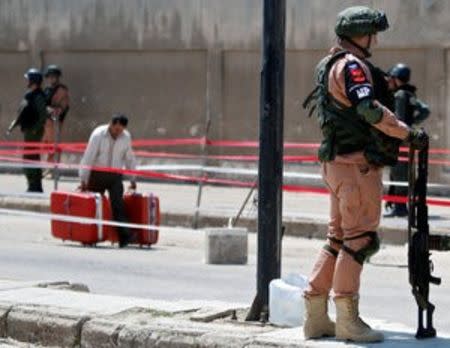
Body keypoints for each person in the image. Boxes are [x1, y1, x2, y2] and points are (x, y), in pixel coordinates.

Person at [302, 6, 428, 343]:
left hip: (335, 163)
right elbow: (368, 109)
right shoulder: (353, 67)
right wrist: (405, 132)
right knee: (358, 240)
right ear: (362, 34)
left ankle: (315, 316)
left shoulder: (328, 62)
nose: (375, 39)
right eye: (373, 33)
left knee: (337, 238)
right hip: (356, 166)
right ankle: (347, 320)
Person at [79, 114, 137, 248]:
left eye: (121, 130)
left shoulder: (126, 137)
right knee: (94, 207)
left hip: (115, 176)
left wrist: (133, 179)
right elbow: (88, 157)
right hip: (97, 175)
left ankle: (125, 237)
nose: (118, 133)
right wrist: (83, 179)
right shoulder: (98, 135)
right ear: (111, 124)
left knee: (118, 206)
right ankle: (89, 235)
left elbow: (129, 158)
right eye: (116, 129)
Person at [384, 63, 430, 217]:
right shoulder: (410, 94)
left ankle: (400, 207)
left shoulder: (399, 95)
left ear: (396, 78)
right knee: (405, 172)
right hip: (408, 138)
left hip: (399, 139)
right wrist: (413, 124)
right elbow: (425, 110)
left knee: (398, 173)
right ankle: (400, 206)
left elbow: (398, 119)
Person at [7, 69, 49, 192]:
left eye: (29, 79)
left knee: (31, 158)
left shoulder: (38, 97)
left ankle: (35, 185)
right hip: (29, 131)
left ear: (34, 81)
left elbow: (42, 116)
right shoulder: (30, 95)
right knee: (30, 157)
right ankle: (32, 184)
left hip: (33, 132)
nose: (27, 82)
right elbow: (22, 113)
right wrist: (13, 126)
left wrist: (35, 130)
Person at [42, 65, 70, 176]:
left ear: (57, 77)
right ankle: (49, 168)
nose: (51, 79)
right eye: (49, 76)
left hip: (55, 122)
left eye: (53, 76)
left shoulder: (61, 90)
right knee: (48, 145)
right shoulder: (48, 89)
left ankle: (54, 170)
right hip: (47, 122)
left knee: (54, 146)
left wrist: (51, 110)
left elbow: (63, 107)